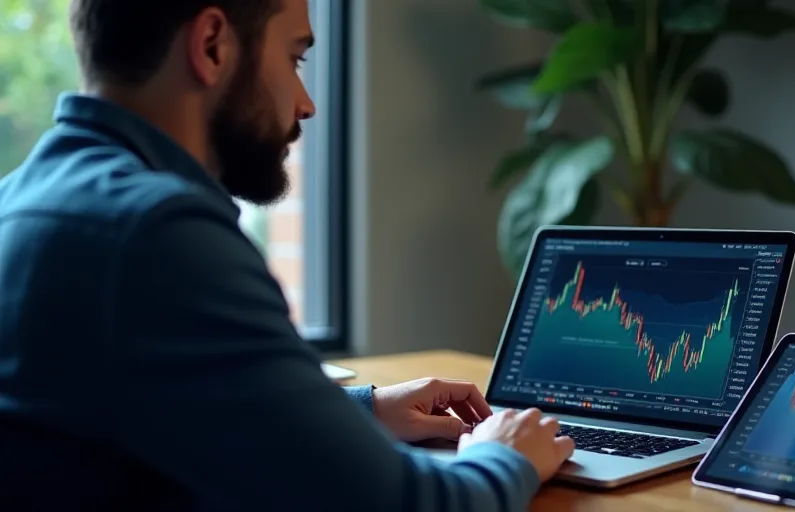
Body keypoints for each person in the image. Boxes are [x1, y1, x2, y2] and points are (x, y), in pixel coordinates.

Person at [0, 0, 574, 510]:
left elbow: (153, 411)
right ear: (211, 45)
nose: (306, 105)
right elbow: (408, 502)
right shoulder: (158, 235)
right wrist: (506, 455)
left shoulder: (24, 199)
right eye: (296, 59)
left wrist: (361, 411)